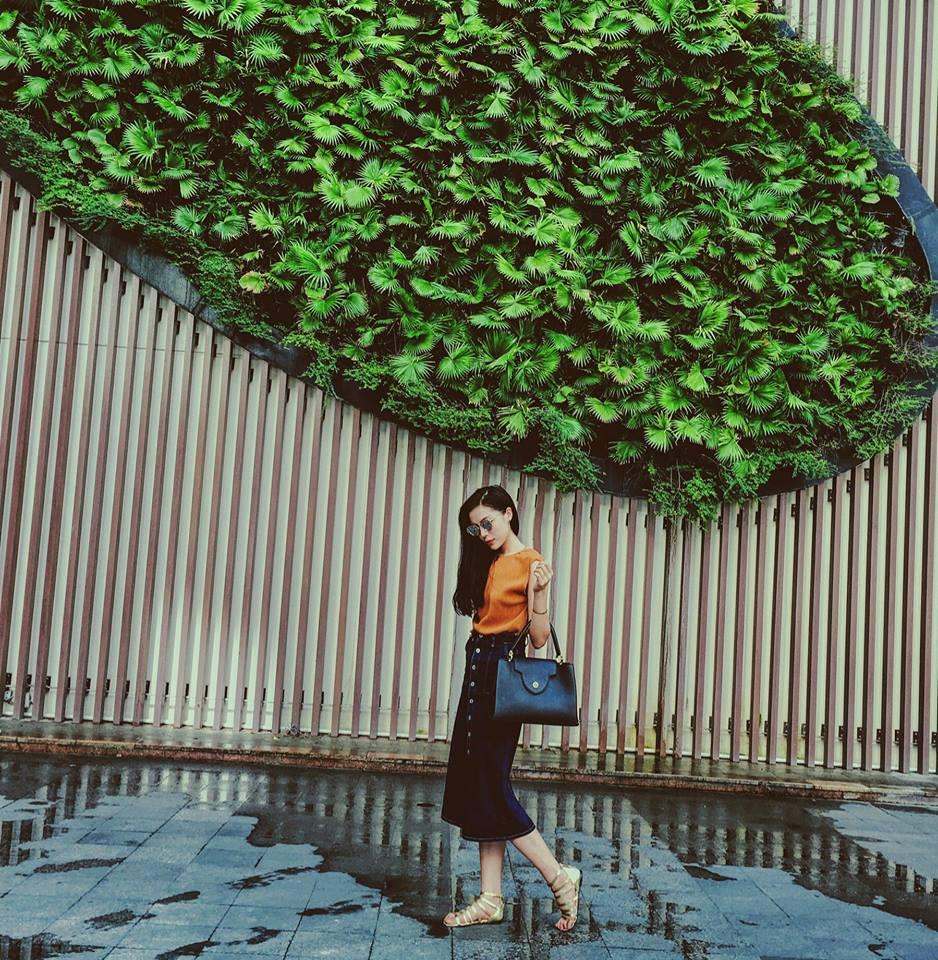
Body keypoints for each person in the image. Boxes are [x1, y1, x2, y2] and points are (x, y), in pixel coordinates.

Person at [440, 484, 582, 930]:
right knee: (482, 782)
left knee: (492, 785)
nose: (483, 533)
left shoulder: (530, 562)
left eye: (488, 523)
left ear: (508, 513)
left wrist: (540, 592)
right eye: (474, 529)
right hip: (477, 667)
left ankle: (558, 877)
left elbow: (538, 638)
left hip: (503, 673)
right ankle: (490, 898)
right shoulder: (488, 560)